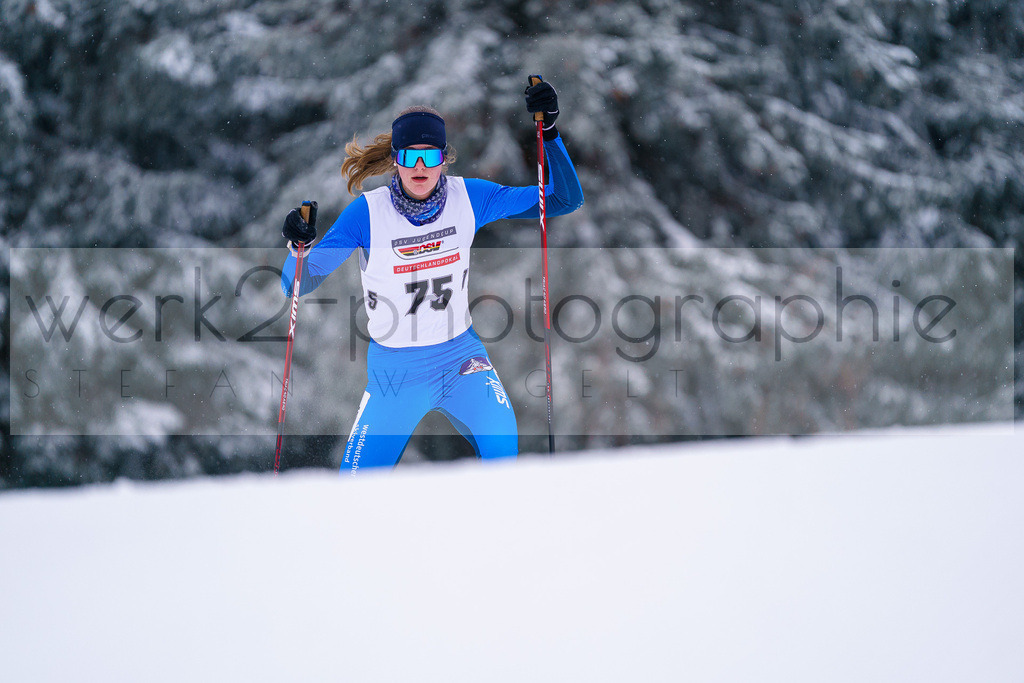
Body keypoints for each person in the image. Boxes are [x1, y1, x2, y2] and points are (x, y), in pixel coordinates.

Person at [280, 79, 584, 474]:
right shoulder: (368, 213)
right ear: (395, 160)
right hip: (395, 374)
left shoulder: (470, 198)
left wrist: (549, 134)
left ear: (444, 158)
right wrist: (298, 249)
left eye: (429, 156)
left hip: (462, 360)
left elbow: (563, 199)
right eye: (409, 157)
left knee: (503, 454)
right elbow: (298, 283)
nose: (419, 168)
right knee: (354, 489)